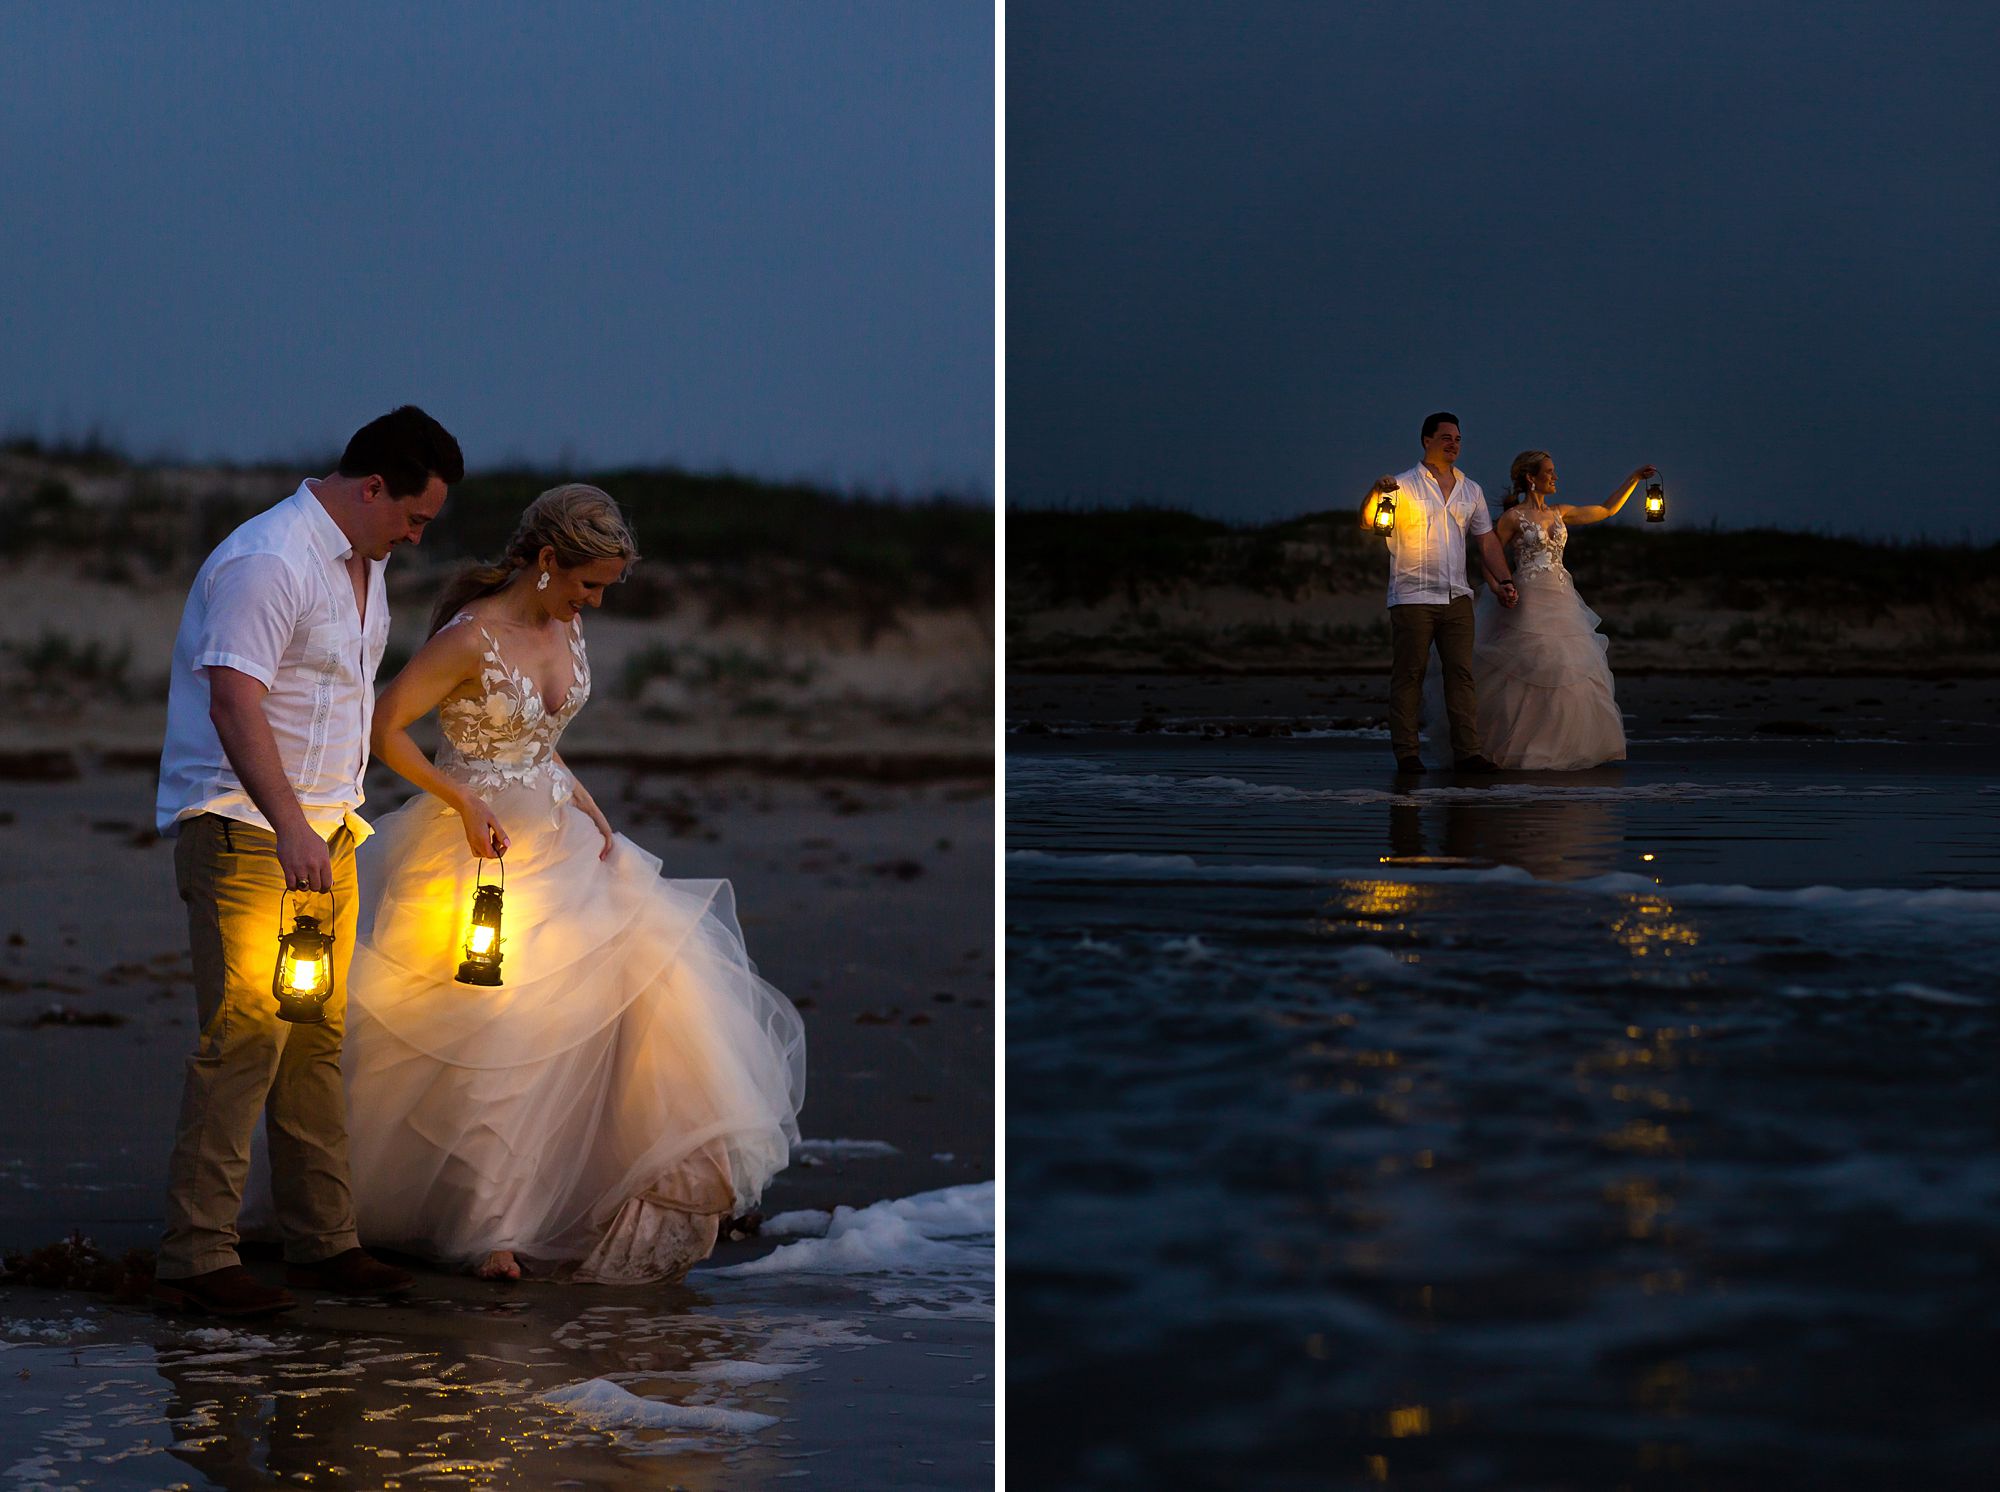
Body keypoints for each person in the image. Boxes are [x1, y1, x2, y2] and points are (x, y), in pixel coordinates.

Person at [337, 484, 806, 1282]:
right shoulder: (470, 637)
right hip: (479, 849)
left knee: (630, 1008)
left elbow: (540, 737)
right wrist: (463, 799)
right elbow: (385, 729)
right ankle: (490, 1231)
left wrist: (578, 791)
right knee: (500, 1032)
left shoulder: (569, 622)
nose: (593, 602)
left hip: (567, 835)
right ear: (547, 560)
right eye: (588, 584)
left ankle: (589, 1200)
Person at [152, 405, 464, 1317]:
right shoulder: (269, 558)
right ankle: (196, 1257)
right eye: (412, 516)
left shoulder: (365, 568)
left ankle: (324, 1242)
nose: (415, 535)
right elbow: (234, 702)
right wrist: (290, 825)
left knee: (315, 1037)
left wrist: (325, 825)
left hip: (327, 833)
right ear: (373, 486)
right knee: (246, 1034)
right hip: (247, 832)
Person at [1455, 450, 1657, 770]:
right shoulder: (1513, 518)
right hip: (1529, 598)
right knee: (1534, 665)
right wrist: (1497, 587)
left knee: (1569, 666)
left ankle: (1564, 746)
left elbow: (1606, 509)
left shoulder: (1560, 512)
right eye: (1549, 471)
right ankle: (1520, 744)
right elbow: (1489, 555)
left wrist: (1633, 479)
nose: (1555, 476)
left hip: (1562, 597)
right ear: (1530, 478)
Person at [1358, 412, 1518, 775]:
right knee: (1409, 674)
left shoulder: (1470, 489)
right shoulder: (1400, 485)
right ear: (1427, 440)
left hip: (1457, 596)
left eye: (1458, 438)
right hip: (1413, 596)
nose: (1454, 444)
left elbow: (1487, 541)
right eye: (1446, 437)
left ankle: (1468, 753)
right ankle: (1407, 754)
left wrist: (1505, 580)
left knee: (1461, 674)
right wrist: (1376, 492)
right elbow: (1369, 522)